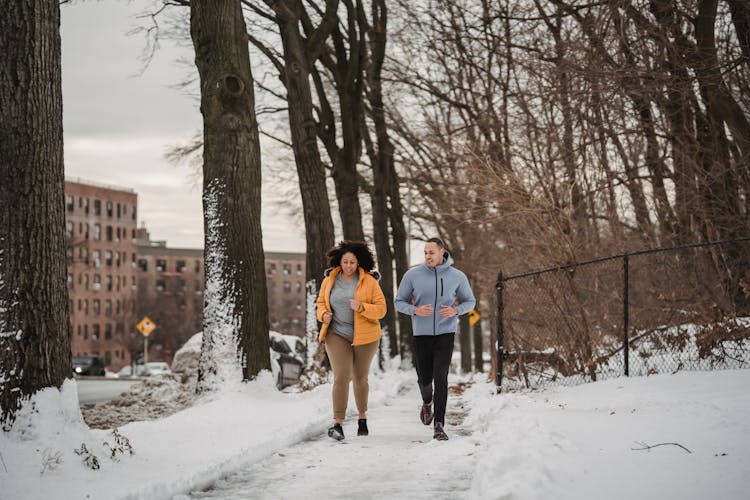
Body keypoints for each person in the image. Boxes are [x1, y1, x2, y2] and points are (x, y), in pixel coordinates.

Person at [395, 237, 475, 441]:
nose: (427, 256)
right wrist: (415, 310)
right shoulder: (413, 275)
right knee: (424, 378)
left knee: (441, 377)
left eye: (431, 252)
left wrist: (456, 310)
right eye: (425, 253)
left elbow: (470, 301)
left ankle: (439, 424)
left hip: (445, 333)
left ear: (442, 252)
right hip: (421, 333)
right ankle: (427, 402)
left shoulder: (457, 276)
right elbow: (399, 302)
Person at [316, 240, 386, 441]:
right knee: (341, 376)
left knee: (360, 378)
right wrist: (323, 315)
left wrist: (362, 307)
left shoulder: (369, 282)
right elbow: (321, 303)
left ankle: (362, 418)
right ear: (340, 261)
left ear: (359, 263)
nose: (348, 266)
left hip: (366, 337)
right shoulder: (329, 280)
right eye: (345, 262)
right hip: (337, 334)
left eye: (352, 263)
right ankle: (337, 423)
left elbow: (381, 310)